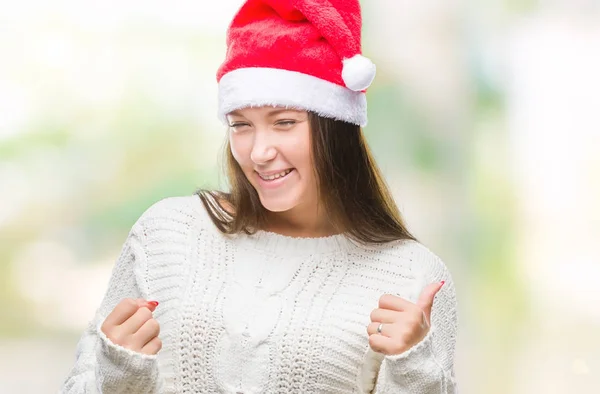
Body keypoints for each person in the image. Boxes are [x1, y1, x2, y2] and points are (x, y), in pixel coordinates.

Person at [60, 0, 459, 393]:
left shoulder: (411, 275)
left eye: (284, 123)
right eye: (241, 125)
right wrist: (119, 375)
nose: (258, 152)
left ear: (336, 127)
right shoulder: (167, 235)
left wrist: (415, 369)